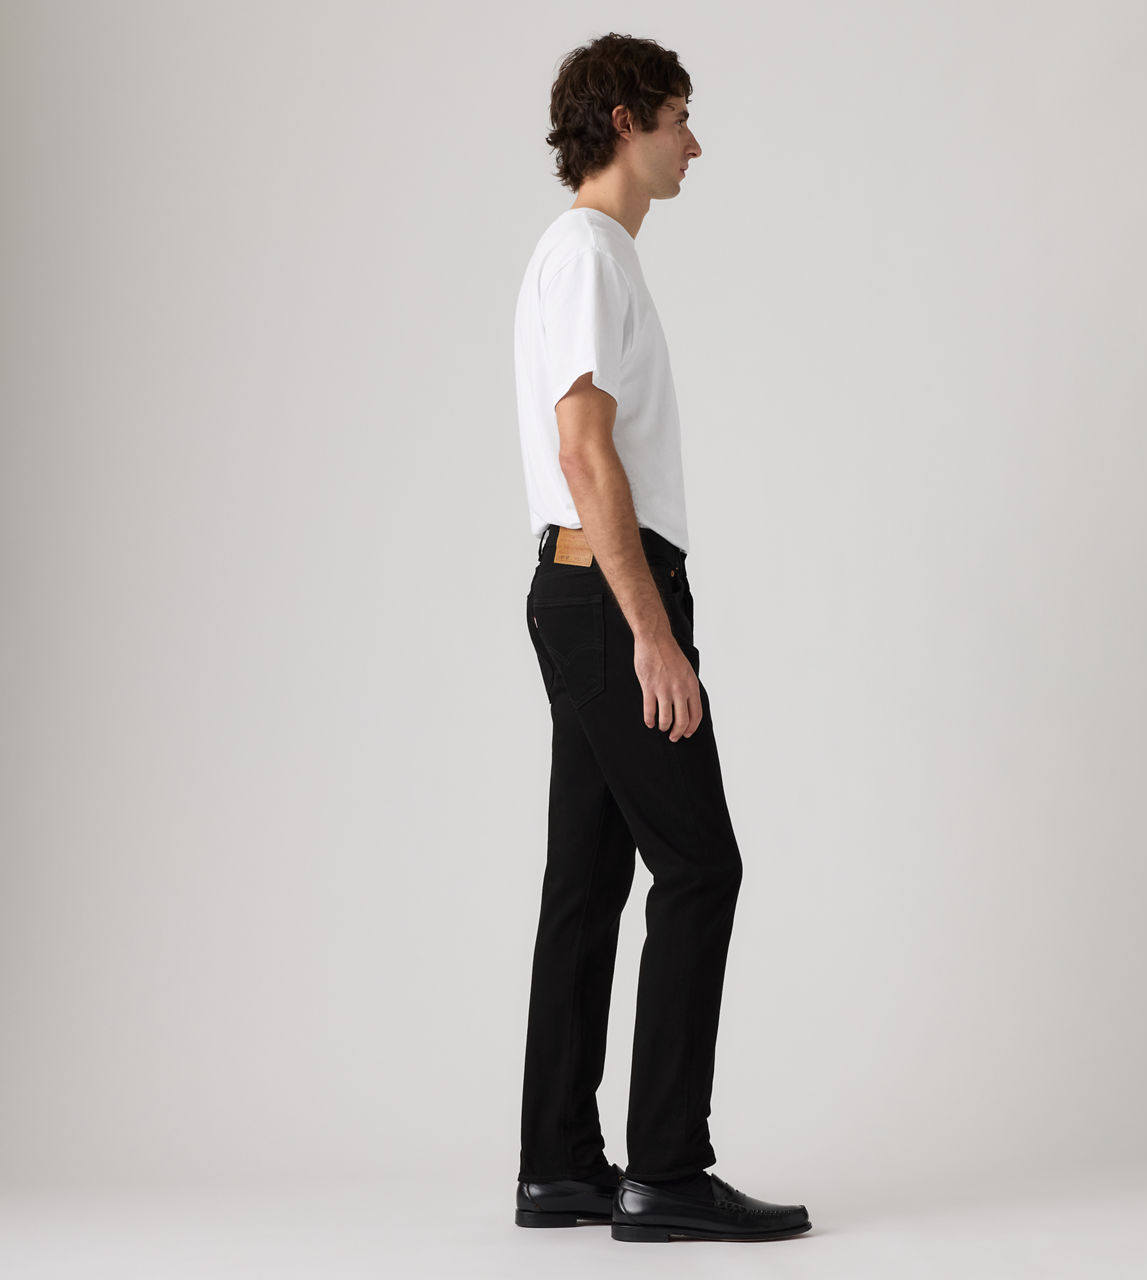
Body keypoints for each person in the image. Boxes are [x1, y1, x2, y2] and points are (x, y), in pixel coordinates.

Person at [510, 33, 811, 1244]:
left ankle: (559, 1164)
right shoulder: (589, 253)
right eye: (680, 117)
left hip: (579, 590)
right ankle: (667, 1170)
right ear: (626, 121)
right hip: (608, 593)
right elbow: (585, 451)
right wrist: (652, 631)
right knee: (699, 865)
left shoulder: (586, 256)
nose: (695, 142)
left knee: (588, 880)